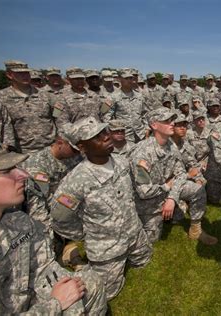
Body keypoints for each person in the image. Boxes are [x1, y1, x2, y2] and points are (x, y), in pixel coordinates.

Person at [0, 140, 107, 314]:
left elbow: (44, 268)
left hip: (30, 299)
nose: (23, 174)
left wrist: (67, 288)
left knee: (90, 282)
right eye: (6, 171)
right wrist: (55, 304)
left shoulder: (20, 223)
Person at [50, 116, 152, 300]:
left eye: (104, 132)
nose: (106, 137)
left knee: (145, 263)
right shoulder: (76, 180)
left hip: (135, 233)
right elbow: (60, 218)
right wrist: (86, 234)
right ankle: (76, 262)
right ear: (82, 147)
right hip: (106, 247)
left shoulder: (122, 162)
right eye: (97, 137)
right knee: (108, 293)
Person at [130, 107, 217, 245]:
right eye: (166, 121)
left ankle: (196, 230)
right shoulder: (141, 154)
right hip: (148, 202)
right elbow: (144, 192)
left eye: (172, 120)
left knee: (197, 190)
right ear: (154, 125)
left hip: (166, 191)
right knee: (151, 240)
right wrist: (167, 187)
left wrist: (171, 197)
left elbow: (181, 173)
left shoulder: (170, 144)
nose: (172, 123)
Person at [0, 60, 57, 153]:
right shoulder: (0, 99)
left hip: (50, 148)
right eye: (20, 73)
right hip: (22, 153)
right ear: (9, 75)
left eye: (26, 73)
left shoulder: (46, 96)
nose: (25, 76)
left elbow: (59, 116)